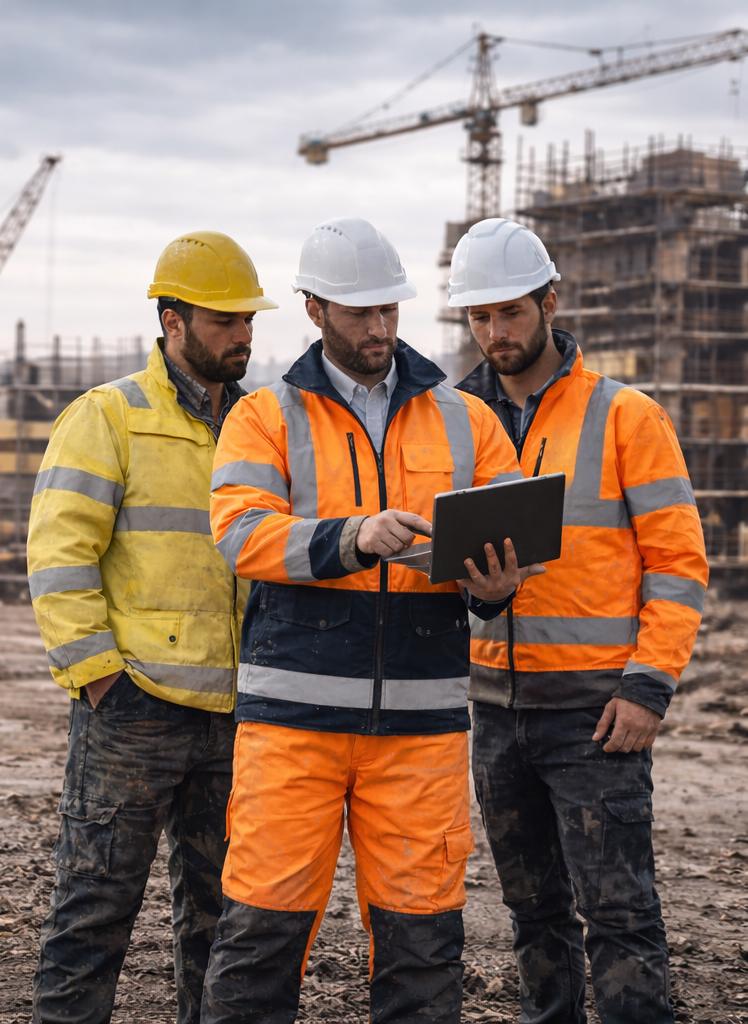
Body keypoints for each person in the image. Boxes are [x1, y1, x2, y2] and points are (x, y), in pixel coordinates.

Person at [202, 216, 536, 1024]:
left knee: (425, 947)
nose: (382, 327)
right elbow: (240, 534)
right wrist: (351, 538)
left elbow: (498, 559)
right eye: (362, 313)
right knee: (261, 939)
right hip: (294, 729)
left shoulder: (468, 419)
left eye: (391, 309)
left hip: (421, 730)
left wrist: (495, 584)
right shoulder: (265, 418)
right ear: (315, 310)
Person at [450, 217, 708, 1024]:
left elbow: (678, 563)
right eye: (480, 317)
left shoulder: (628, 416)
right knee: (533, 917)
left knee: (621, 915)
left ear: (550, 303)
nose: (496, 332)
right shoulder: (456, 418)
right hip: (494, 710)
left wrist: (648, 687)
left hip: (597, 711)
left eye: (512, 313)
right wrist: (480, 593)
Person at [28, 230, 273, 1024]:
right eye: (224, 320)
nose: (243, 335)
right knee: (93, 918)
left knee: (224, 927)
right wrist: (100, 679)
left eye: (248, 321)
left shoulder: (259, 427)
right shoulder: (109, 417)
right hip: (132, 714)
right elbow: (59, 559)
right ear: (173, 320)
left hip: (235, 719)